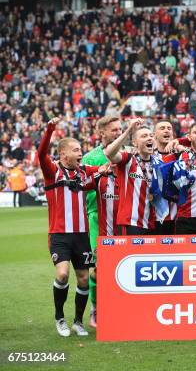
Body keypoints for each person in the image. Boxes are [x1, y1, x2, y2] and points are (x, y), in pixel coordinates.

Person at [38, 117, 102, 337]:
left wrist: (105, 169)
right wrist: (50, 129)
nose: (80, 153)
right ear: (63, 154)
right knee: (63, 274)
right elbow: (41, 153)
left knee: (83, 278)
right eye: (76, 150)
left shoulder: (84, 171)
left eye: (81, 149)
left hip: (81, 235)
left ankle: (78, 321)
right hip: (59, 235)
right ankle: (60, 318)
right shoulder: (52, 171)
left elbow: (103, 168)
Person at [81, 115, 122, 328]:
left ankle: (121, 308)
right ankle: (96, 309)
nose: (118, 132)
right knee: (99, 268)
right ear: (102, 133)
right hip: (99, 218)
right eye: (114, 130)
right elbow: (80, 187)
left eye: (120, 129)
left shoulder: (127, 155)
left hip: (124, 219)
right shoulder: (90, 158)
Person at [105, 119, 160, 235]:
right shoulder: (128, 159)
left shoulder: (158, 163)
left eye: (151, 136)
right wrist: (128, 131)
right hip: (130, 222)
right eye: (144, 136)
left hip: (151, 223)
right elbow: (109, 153)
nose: (149, 138)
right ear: (135, 143)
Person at [153, 120, 178, 235]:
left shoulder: (181, 156)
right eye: (162, 128)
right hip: (151, 216)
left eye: (169, 128)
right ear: (154, 135)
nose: (166, 130)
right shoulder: (147, 156)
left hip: (175, 216)